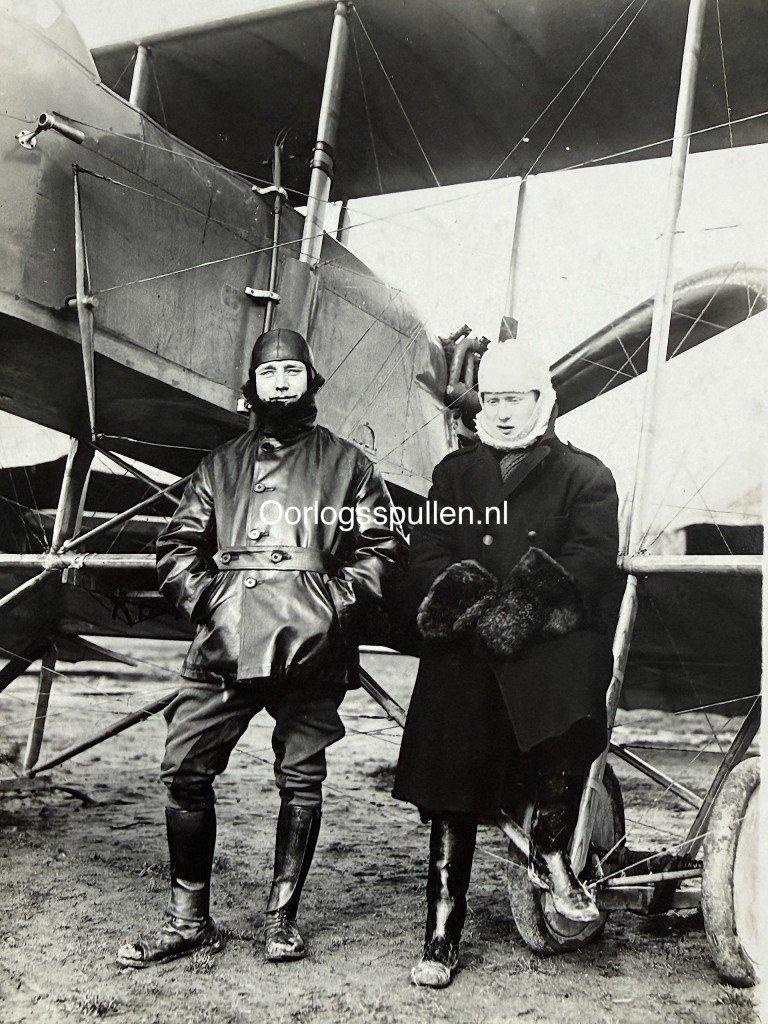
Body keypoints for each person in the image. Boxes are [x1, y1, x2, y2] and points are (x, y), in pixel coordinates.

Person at [117, 327, 406, 968]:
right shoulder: (219, 467)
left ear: (310, 381)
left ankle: (281, 919)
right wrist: (214, 607)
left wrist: (329, 611)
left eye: (292, 372)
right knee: (184, 770)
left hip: (313, 647)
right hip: (227, 643)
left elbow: (382, 549)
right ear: (253, 385)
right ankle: (188, 919)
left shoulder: (349, 465)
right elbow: (175, 549)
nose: (280, 382)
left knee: (300, 778)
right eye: (269, 373)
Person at [392, 338, 620, 988]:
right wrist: (471, 603)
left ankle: (552, 849)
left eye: (515, 399)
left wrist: (519, 609)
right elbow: (427, 552)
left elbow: (590, 561)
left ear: (542, 399)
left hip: (546, 641)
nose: (503, 412)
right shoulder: (455, 476)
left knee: (568, 685)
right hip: (470, 643)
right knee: (452, 735)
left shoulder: (586, 476)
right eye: (492, 399)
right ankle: (441, 930)